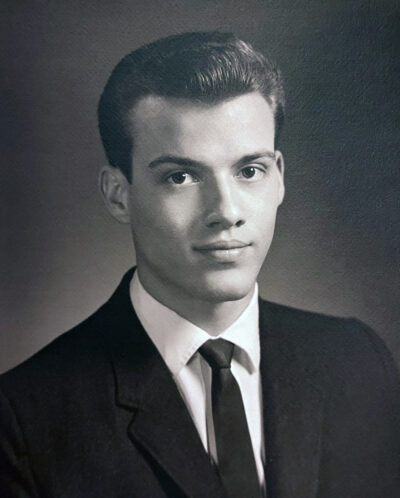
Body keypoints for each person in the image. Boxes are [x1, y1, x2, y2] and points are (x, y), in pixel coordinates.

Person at [0, 31, 399, 498]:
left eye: (249, 171)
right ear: (118, 194)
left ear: (279, 178)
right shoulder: (24, 419)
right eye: (181, 176)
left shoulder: (358, 360)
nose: (226, 212)